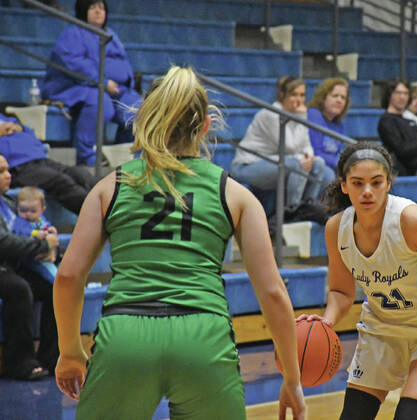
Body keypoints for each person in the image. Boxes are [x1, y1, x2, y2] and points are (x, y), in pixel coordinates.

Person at [53, 67, 306, 419]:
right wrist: (292, 377)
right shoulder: (235, 193)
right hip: (204, 339)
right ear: (206, 126)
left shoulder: (110, 186)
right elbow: (273, 292)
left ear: (144, 120)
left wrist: (69, 351)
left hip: (126, 337)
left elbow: (68, 277)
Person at [299, 142, 417, 420]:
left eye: (376, 182)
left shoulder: (410, 219)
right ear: (344, 185)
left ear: (388, 183)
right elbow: (341, 291)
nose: (367, 191)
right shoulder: (336, 228)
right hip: (381, 329)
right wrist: (327, 321)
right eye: (358, 183)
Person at [42, 0, 141, 166]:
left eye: (101, 8)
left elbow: (123, 62)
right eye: (92, 7)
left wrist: (128, 82)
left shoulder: (111, 34)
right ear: (83, 11)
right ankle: (86, 156)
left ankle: (124, 153)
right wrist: (103, 81)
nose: (98, 11)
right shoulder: (73, 33)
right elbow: (74, 63)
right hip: (78, 86)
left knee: (139, 109)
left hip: (116, 89)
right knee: (101, 104)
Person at [0, 153, 59, 381]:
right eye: (2, 171)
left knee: (54, 287)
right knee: (19, 289)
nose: (8, 175)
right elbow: (4, 242)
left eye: (8, 170)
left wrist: (50, 239)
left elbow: (30, 229)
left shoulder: (7, 202)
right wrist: (42, 244)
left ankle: (51, 357)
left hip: (11, 264)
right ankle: (19, 362)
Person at [231, 76, 328, 209]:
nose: (299, 100)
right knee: (297, 165)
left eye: (302, 95)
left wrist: (309, 156)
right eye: (294, 95)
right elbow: (289, 146)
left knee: (319, 164)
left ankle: (307, 207)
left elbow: (306, 144)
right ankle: (291, 210)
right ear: (282, 95)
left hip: (274, 162)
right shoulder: (270, 114)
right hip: (248, 166)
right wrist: (301, 117)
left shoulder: (294, 113)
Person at [0, 111, 97, 214]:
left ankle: (107, 205)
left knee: (80, 174)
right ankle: (96, 214)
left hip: (40, 157)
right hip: (18, 167)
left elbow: (30, 132)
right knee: (61, 180)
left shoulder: (6, 118)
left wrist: (20, 128)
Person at [307, 77, 351, 183]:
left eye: (343, 97)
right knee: (330, 176)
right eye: (335, 96)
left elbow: (339, 153)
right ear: (323, 98)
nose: (339, 100)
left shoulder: (339, 123)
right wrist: (342, 164)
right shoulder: (313, 115)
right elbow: (315, 152)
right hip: (313, 164)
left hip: (332, 167)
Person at [14, 186, 58, 284]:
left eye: (33, 211)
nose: (28, 214)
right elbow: (22, 231)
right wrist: (36, 233)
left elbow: (46, 226)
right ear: (17, 208)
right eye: (23, 210)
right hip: (31, 258)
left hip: (43, 253)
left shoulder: (41, 219)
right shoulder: (19, 221)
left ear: (42, 210)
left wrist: (51, 231)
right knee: (52, 272)